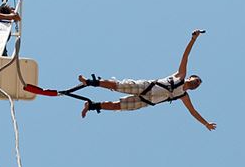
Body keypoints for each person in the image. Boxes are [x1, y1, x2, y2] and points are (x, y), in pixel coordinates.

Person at [78, 29, 216, 131]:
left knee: (117, 106)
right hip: (146, 87)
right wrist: (193, 39)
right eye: (197, 80)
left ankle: (91, 106)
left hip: (146, 101)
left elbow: (193, 112)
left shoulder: (184, 96)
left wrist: (205, 124)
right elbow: (186, 56)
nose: (196, 83)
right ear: (190, 77)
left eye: (198, 84)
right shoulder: (180, 75)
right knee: (117, 85)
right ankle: (89, 82)